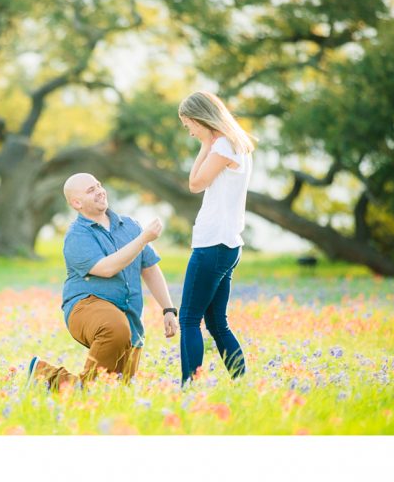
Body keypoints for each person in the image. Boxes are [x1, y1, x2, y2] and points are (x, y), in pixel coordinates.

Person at [26, 172, 178, 390]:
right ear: (77, 203)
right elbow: (107, 268)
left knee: (113, 390)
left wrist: (168, 309)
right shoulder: (76, 236)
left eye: (98, 185)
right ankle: (75, 388)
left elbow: (150, 269)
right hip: (87, 307)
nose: (99, 191)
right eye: (91, 190)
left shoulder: (130, 226)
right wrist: (143, 239)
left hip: (130, 321)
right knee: (114, 328)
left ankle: (45, 375)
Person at [177, 91, 254, 385]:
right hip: (228, 243)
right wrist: (206, 142)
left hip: (213, 243)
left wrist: (205, 145)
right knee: (217, 323)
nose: (191, 132)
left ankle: (189, 387)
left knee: (188, 319)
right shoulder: (239, 145)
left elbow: (195, 183)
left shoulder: (221, 145)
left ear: (200, 118)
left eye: (190, 125)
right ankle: (241, 382)